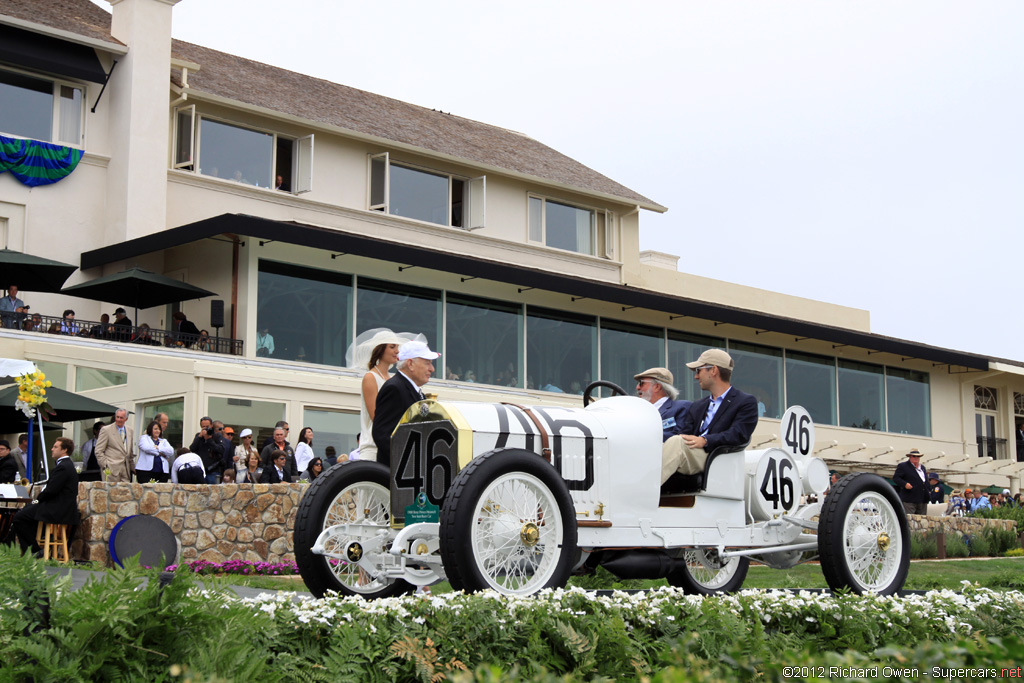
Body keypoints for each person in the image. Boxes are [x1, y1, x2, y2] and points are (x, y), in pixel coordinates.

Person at [660, 349, 759, 484]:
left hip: (715, 456)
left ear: (713, 370)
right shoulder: (698, 405)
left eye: (698, 371)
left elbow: (738, 434)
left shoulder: (745, 401)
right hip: (691, 453)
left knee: (676, 442)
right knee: (661, 445)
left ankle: (644, 493)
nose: (696, 376)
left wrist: (705, 440)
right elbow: (685, 434)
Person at [4, 437, 78, 555]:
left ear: (64, 450)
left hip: (58, 509)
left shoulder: (64, 467)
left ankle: (34, 551)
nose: (51, 449)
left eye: (55, 447)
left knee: (19, 517)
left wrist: (38, 499)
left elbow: (51, 491)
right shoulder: (65, 465)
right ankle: (38, 548)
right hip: (58, 507)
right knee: (25, 514)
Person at [372, 339, 439, 469]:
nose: (432, 369)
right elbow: (382, 434)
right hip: (397, 474)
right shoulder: (395, 388)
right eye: (427, 363)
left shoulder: (412, 389)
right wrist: (410, 461)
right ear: (410, 364)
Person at [633, 367, 691, 441]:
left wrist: (643, 434)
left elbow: (680, 438)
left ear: (657, 387)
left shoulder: (682, 407)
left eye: (641, 383)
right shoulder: (637, 414)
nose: (637, 387)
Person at [95, 408, 135, 482]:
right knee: (112, 492)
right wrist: (105, 465)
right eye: (117, 417)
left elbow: (130, 451)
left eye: (121, 418)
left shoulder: (130, 430)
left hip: (125, 469)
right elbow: (98, 450)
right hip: (111, 469)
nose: (119, 419)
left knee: (125, 492)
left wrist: (132, 467)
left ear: (126, 419)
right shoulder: (106, 430)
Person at [189, 416, 226, 484]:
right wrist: (199, 437)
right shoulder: (198, 436)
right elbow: (192, 449)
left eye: (207, 426)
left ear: (211, 425)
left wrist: (209, 439)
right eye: (203, 427)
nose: (205, 428)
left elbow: (221, 449)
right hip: (201, 470)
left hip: (213, 470)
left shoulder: (217, 436)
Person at [893, 448, 929, 515]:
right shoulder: (903, 466)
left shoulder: (922, 467)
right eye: (914, 456)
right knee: (910, 520)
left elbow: (925, 481)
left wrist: (928, 489)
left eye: (918, 456)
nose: (916, 458)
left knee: (922, 521)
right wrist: (905, 484)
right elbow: (896, 478)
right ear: (910, 457)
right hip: (910, 499)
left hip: (922, 499)